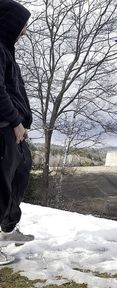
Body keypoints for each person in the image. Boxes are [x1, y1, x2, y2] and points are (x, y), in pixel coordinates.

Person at [0, 0, 34, 264]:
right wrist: (15, 122)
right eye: (23, 26)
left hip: (14, 130)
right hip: (4, 129)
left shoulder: (5, 50)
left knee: (20, 176)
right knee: (1, 188)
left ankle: (7, 230)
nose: (25, 31)